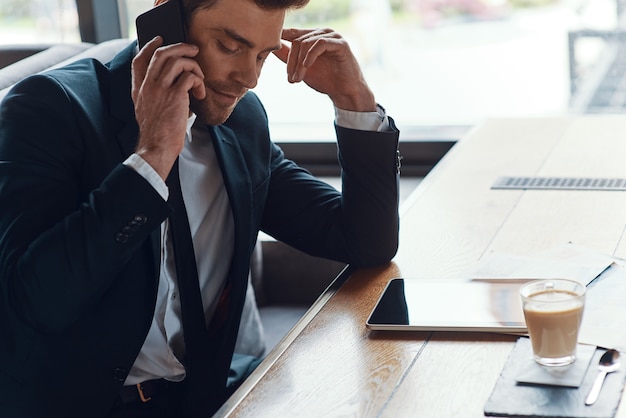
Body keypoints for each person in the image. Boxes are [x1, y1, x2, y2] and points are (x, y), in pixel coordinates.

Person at [0, 0, 400, 417]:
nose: (250, 78)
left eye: (262, 54)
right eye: (230, 46)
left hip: (205, 399)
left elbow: (365, 240)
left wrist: (355, 98)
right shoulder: (48, 109)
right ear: (166, 20)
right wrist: (153, 155)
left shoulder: (241, 121)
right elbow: (34, 305)